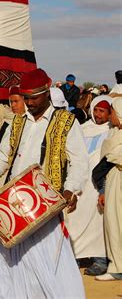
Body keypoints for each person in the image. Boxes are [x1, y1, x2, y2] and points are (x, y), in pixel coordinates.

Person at [0, 68, 88, 298]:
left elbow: (78, 161)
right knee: (12, 264)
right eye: (26, 98)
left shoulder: (66, 122)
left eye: (34, 97)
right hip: (14, 202)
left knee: (50, 264)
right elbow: (2, 154)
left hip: (45, 205)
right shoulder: (17, 122)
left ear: (47, 92)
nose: (29, 103)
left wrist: (71, 189)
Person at [65, 95, 112, 276]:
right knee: (74, 219)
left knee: (98, 222)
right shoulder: (81, 129)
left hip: (99, 185)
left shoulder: (112, 131)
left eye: (103, 111)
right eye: (96, 110)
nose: (98, 114)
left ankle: (99, 259)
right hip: (79, 182)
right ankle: (75, 256)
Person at [92, 97, 122, 281]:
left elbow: (114, 156)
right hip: (113, 181)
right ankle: (117, 264)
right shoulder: (114, 133)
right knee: (113, 222)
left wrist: (114, 156)